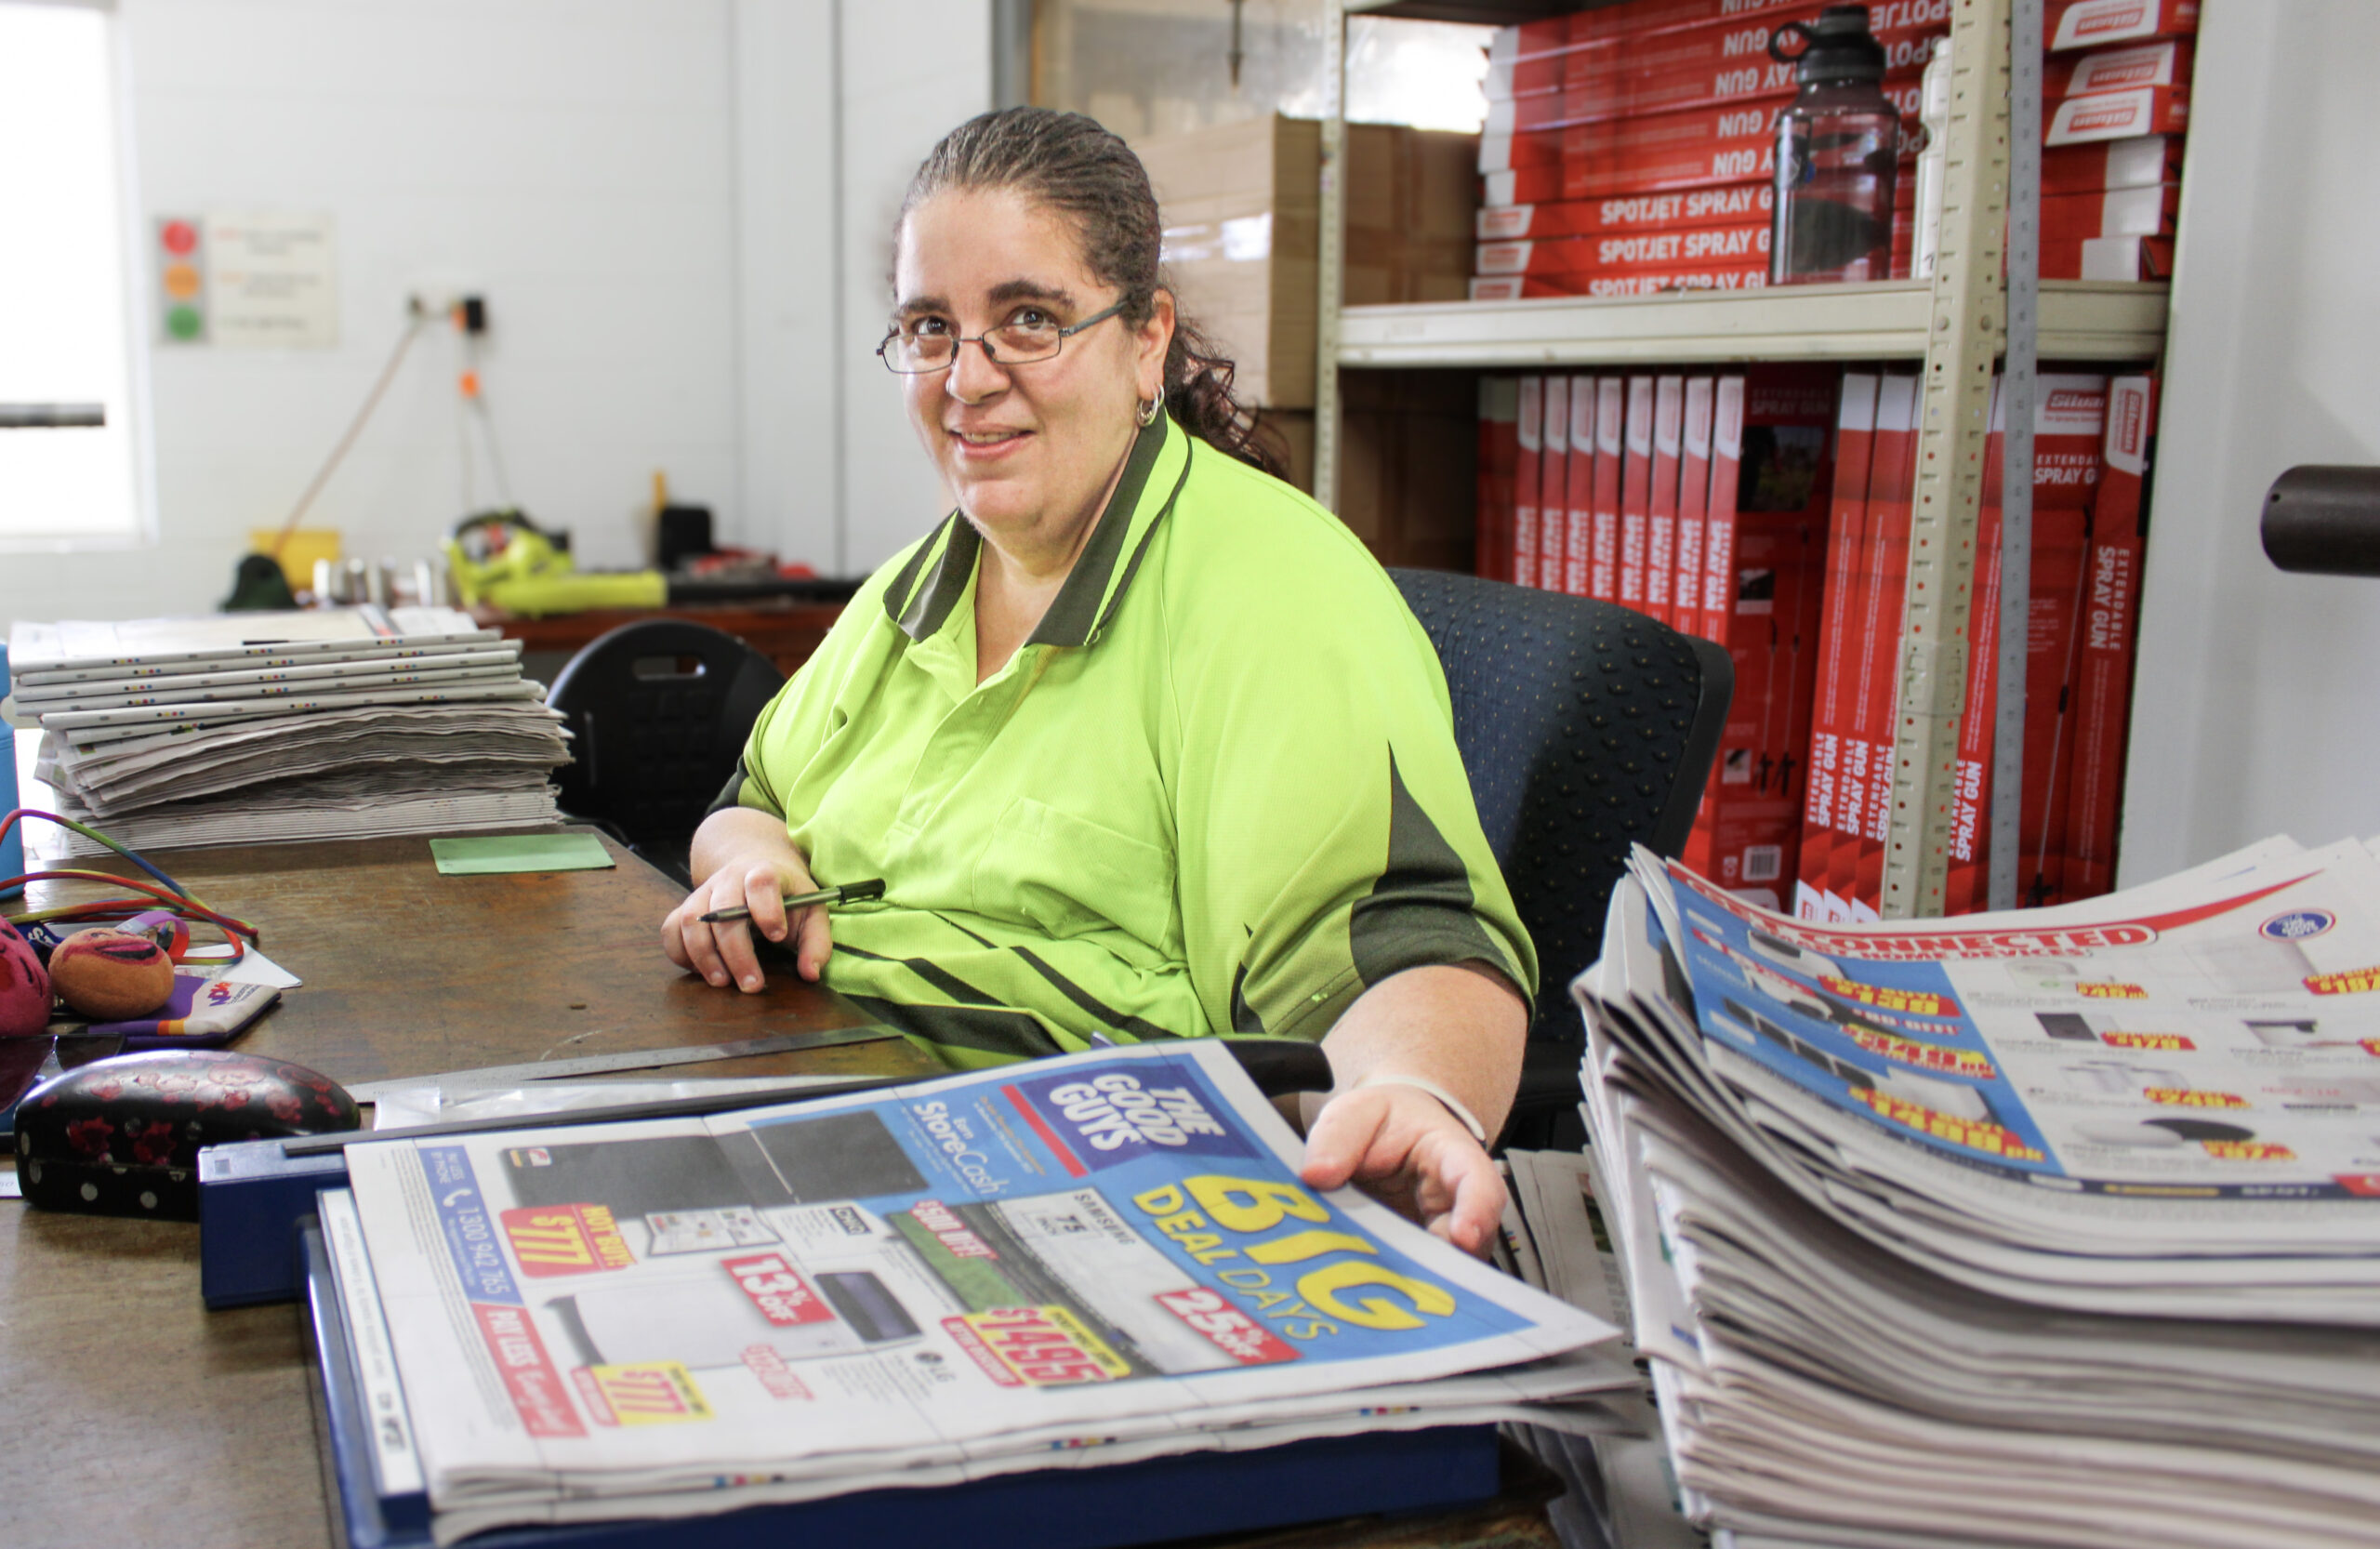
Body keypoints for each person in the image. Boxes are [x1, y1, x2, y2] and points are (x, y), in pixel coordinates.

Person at [664, 107, 1536, 1254]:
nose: (967, 379)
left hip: (1065, 1197)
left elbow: (1414, 941)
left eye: (1028, 320)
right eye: (930, 327)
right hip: (818, 1108)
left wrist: (1416, 1092)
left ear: (1145, 341)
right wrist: (756, 866)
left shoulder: (1269, 593)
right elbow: (749, 799)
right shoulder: (923, 582)